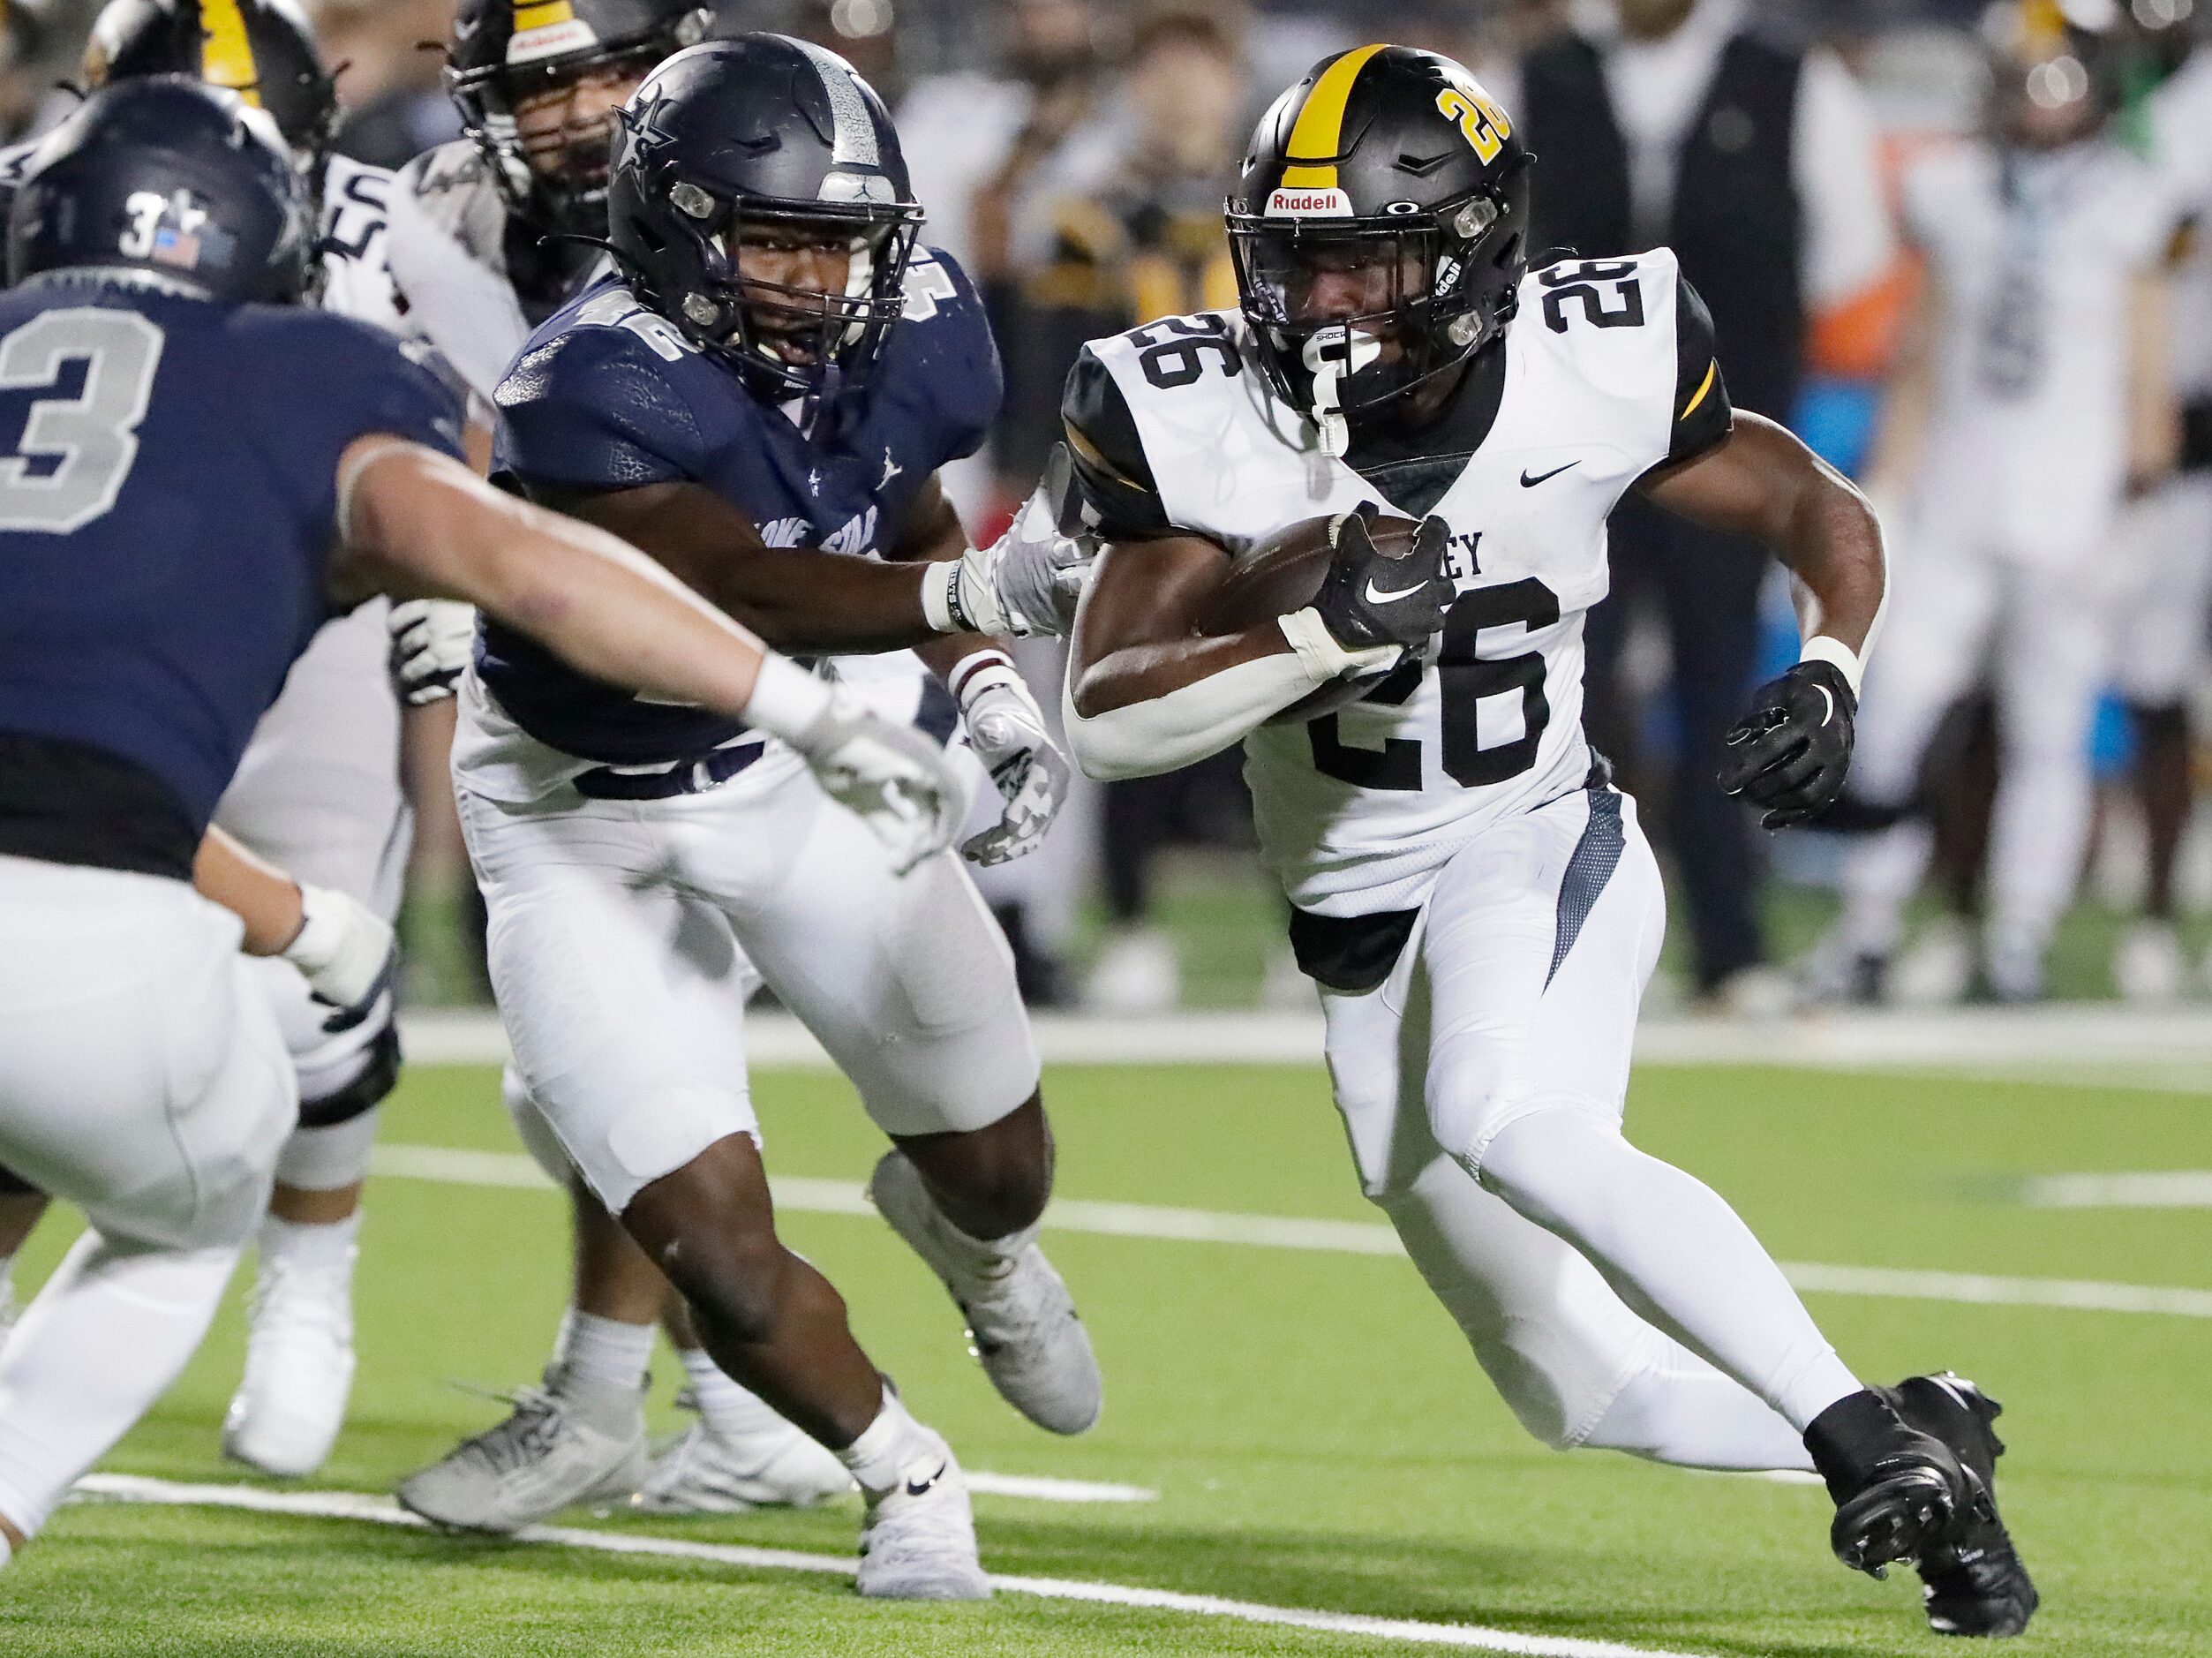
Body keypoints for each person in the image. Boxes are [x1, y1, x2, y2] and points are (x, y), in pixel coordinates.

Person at [1058, 43, 2035, 1638]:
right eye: (1296, 262)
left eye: (1366, 261)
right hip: (1355, 913)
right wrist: (1314, 634)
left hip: (1532, 836)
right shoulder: (1192, 413)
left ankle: (1862, 1438)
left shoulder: (1597, 360)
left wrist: (1832, 664)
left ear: (1467, 251)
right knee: (1573, 1389)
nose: (1322, 307)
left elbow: (1817, 507)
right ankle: (1918, 1423)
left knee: (1502, 1104)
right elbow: (1104, 713)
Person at [0, 74, 968, 1569]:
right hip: (104, 953)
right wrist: (811, 706)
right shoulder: (310, 372)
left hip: (109, 855)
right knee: (204, 1175)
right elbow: (540, 574)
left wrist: (284, 912)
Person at [393, 37, 1098, 1591]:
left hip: (788, 776)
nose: (815, 276)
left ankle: (978, 1249)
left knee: (1003, 1165)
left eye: (843, 239)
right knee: (708, 1236)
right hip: (578, 814)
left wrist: (979, 677)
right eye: (774, 237)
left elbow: (891, 495)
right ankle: (903, 1472)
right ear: (671, 232)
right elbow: (743, 581)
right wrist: (969, 588)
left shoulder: (914, 323)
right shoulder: (588, 382)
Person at [0, 0, 440, 1480]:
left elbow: (509, 384)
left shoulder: (397, 218)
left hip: (299, 601)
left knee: (323, 963)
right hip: (97, 612)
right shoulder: (38, 200)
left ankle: (309, 1281)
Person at [1512, 0, 1898, 1012]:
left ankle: (1730, 943)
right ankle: (1549, 935)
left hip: (1717, 433)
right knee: (1557, 682)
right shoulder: (1545, 73)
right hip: (1567, 438)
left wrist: (1745, 342)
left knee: (1721, 678)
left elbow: (1850, 251)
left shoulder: (1788, 77)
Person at [1823, 2, 2179, 1005]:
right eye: (2023, 79)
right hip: (1955, 494)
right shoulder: (1953, 189)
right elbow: (1921, 356)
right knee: (1892, 716)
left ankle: (2019, 929)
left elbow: (2144, 368)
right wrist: (1886, 484)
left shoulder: (2130, 198)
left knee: (2048, 729)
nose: (2038, 99)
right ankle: (1867, 921)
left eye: (2056, 80)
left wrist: (2137, 496)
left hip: (2072, 501)